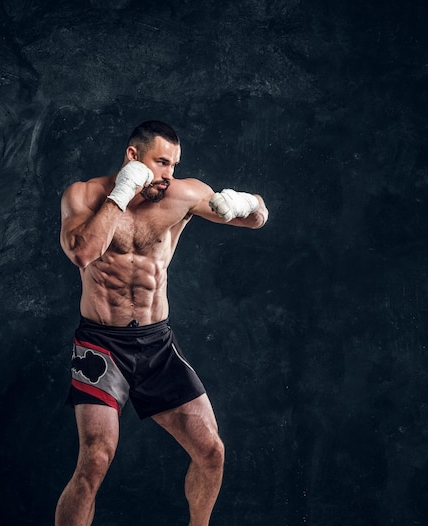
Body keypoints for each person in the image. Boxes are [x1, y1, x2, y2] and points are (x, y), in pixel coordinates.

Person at [55, 120, 268, 526]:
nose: (168, 175)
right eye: (161, 162)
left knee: (211, 452)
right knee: (95, 460)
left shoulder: (182, 194)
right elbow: (83, 253)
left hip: (156, 344)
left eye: (175, 164)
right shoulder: (83, 195)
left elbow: (257, 218)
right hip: (101, 346)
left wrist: (246, 203)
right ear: (133, 157)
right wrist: (122, 192)